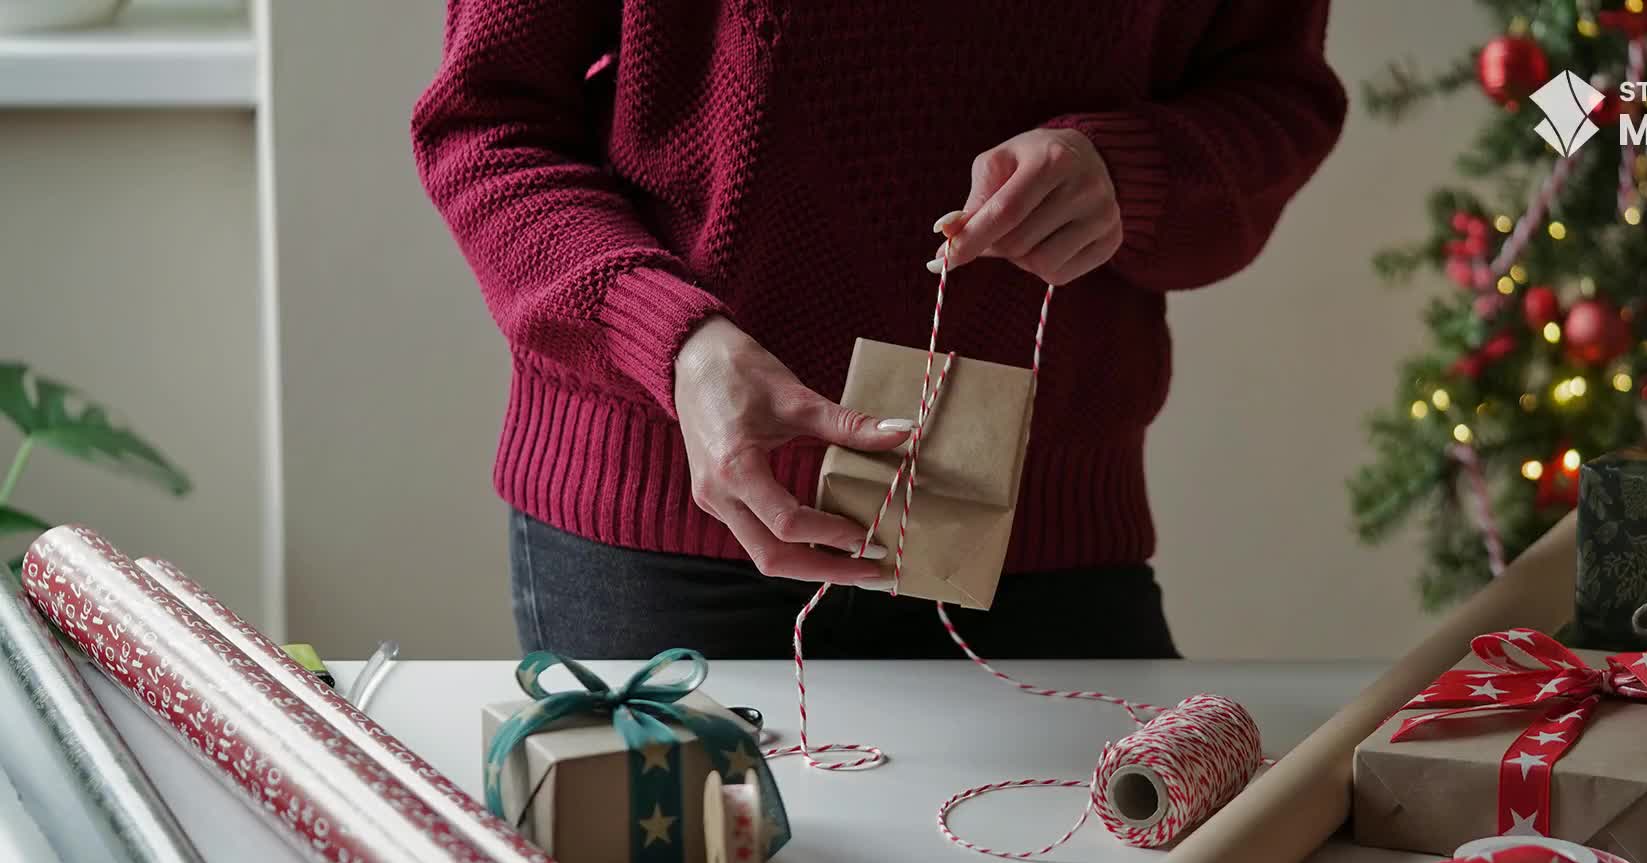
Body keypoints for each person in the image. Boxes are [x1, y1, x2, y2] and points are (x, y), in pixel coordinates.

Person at [413, 1, 1346, 661]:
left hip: (1041, 535)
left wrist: (1134, 172)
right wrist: (676, 341)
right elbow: (487, 126)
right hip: (665, 524)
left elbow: (1277, 94)